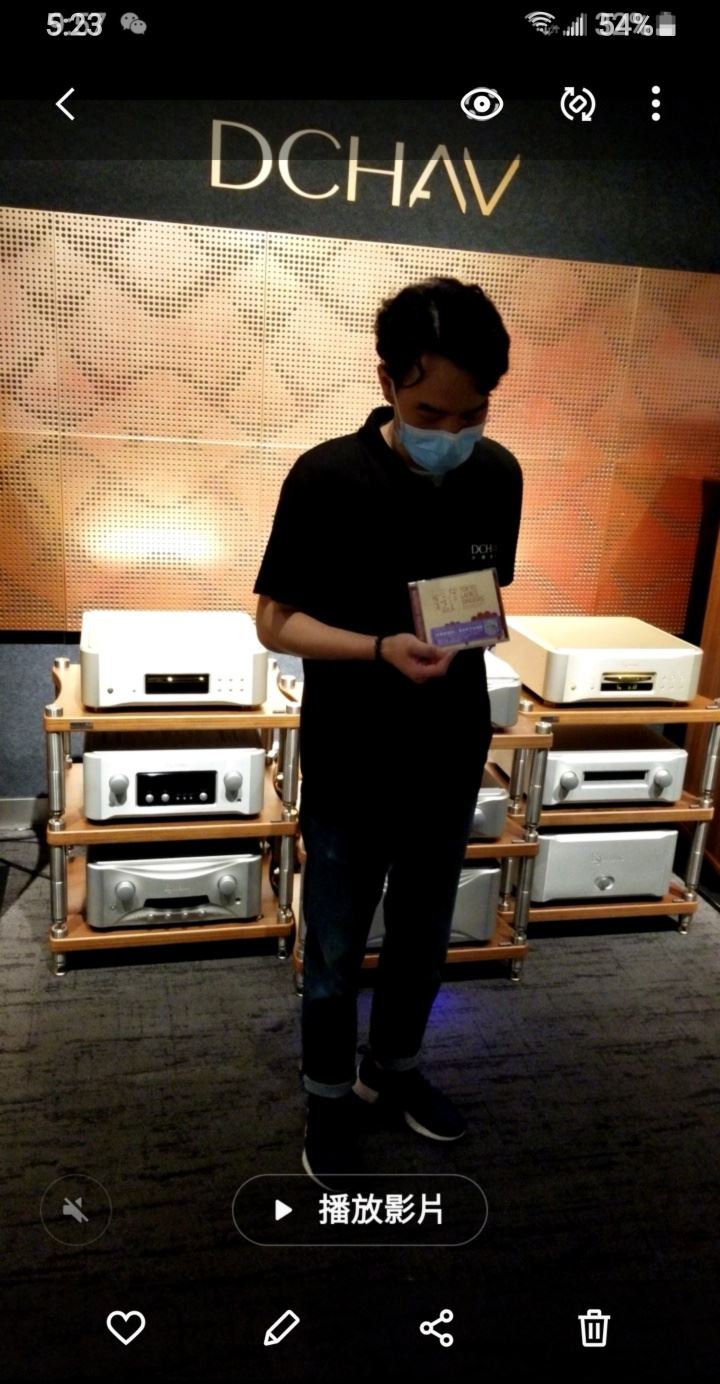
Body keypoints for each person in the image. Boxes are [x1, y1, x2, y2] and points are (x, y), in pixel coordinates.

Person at [254, 276, 523, 1184]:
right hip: (354, 755)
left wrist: (471, 629)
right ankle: (328, 1096)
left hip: (448, 750)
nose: (451, 433)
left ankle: (395, 1070)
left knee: (421, 940)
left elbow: (482, 594)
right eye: (428, 413)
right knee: (336, 949)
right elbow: (275, 621)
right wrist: (378, 648)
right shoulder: (327, 477)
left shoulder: (498, 474)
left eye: (471, 414)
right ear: (386, 382)